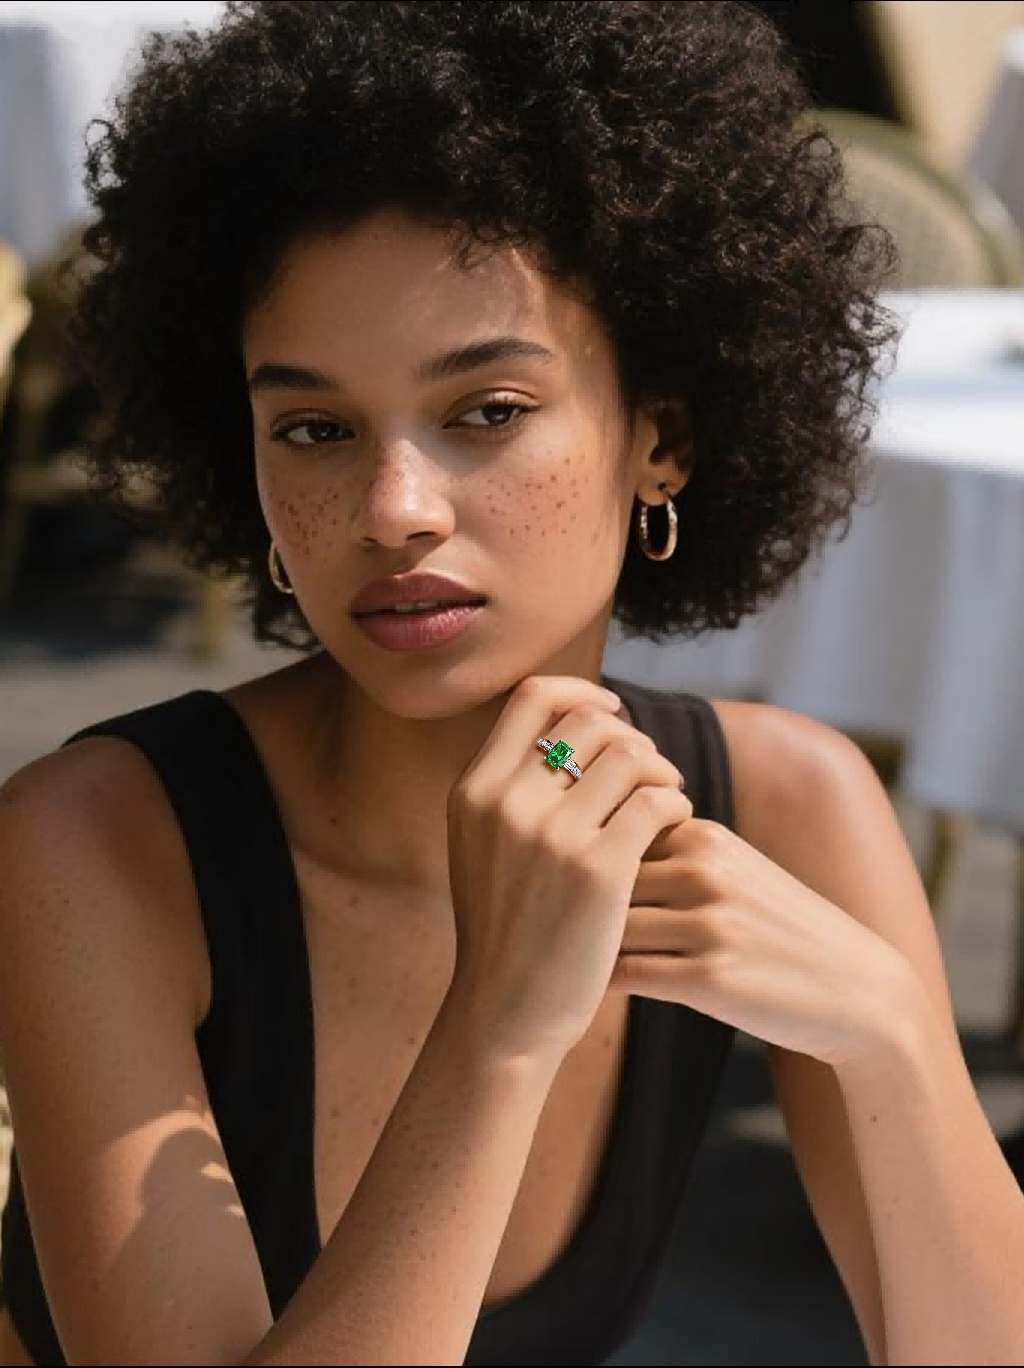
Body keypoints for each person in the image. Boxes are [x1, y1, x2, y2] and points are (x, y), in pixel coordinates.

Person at [2, 3, 1023, 1365]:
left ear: (659, 434)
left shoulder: (788, 805)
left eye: (487, 411)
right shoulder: (94, 846)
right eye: (313, 427)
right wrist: (496, 1033)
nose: (394, 507)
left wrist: (895, 1036)